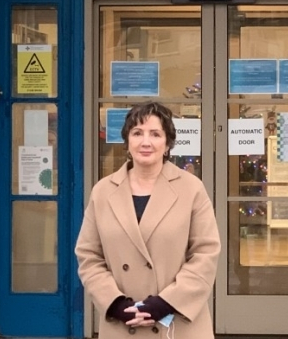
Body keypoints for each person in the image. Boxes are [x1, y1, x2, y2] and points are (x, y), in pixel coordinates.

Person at [75, 101, 221, 338]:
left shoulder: (191, 189)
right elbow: (89, 256)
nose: (145, 142)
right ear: (127, 141)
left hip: (177, 325)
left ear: (167, 143)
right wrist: (115, 303)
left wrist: (164, 303)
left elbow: (206, 253)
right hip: (122, 325)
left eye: (155, 134)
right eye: (137, 133)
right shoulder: (103, 191)